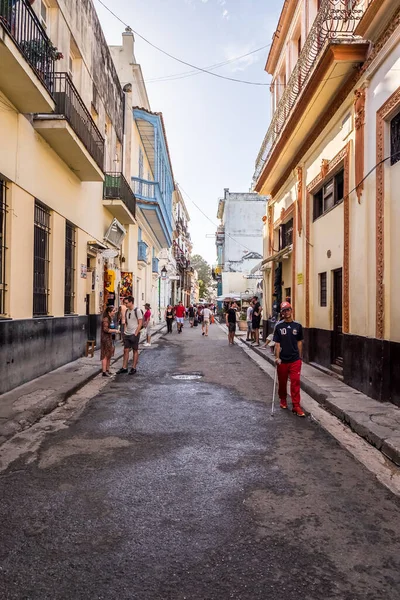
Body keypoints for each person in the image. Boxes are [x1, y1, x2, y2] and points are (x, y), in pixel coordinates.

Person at [273, 301, 305, 417]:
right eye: (284, 310)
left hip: (295, 359)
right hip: (283, 359)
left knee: (295, 381)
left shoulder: (298, 326)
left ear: (291, 310)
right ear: (281, 313)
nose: (286, 312)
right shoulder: (279, 326)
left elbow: (299, 342)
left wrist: (300, 357)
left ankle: (296, 405)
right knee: (282, 382)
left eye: (288, 309)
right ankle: (283, 399)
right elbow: (277, 343)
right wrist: (277, 357)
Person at [116, 296, 143, 375]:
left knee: (135, 350)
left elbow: (140, 322)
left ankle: (133, 368)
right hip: (127, 333)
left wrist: (136, 333)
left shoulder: (137, 310)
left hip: (134, 333)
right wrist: (124, 331)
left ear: (131, 302)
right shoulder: (127, 311)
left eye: (127, 303)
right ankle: (124, 367)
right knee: (126, 350)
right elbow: (126, 322)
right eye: (125, 303)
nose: (126, 304)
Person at [101, 305, 117, 377]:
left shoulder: (111, 319)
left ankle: (107, 369)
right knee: (105, 355)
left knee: (109, 354)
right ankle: (104, 371)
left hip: (111, 338)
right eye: (113, 311)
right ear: (109, 312)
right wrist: (115, 331)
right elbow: (106, 329)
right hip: (106, 339)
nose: (114, 312)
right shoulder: (106, 319)